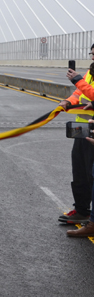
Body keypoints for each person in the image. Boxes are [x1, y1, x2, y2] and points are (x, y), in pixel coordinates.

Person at [58, 44, 94, 227]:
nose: (93, 58)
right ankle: (81, 210)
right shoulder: (90, 71)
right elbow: (80, 93)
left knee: (91, 173)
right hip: (82, 126)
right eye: (92, 54)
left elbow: (90, 92)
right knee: (79, 170)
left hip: (93, 128)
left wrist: (78, 80)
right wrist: (67, 101)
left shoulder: (84, 76)